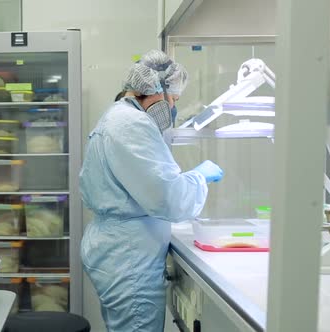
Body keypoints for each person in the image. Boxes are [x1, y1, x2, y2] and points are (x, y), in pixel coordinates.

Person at [79, 50, 223, 332]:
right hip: (129, 258)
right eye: (175, 101)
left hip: (119, 250)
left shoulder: (120, 117)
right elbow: (167, 198)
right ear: (159, 93)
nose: (172, 109)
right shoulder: (132, 124)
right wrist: (199, 178)